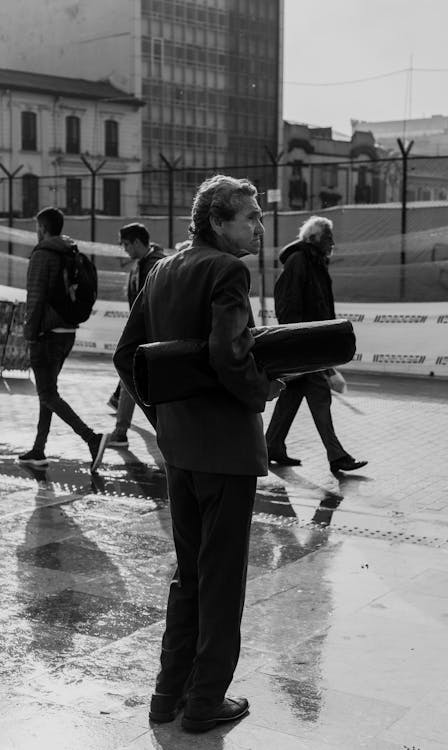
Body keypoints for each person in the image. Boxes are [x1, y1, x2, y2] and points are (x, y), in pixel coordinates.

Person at [113, 175, 283, 732]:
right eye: (250, 218)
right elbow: (231, 357)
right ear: (216, 221)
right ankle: (206, 700)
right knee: (222, 580)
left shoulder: (163, 269)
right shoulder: (228, 270)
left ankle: (168, 695)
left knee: (189, 575)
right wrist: (266, 388)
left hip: (181, 451)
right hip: (227, 453)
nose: (259, 227)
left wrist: (163, 417)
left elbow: (126, 356)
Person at [265, 215, 368, 475]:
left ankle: (271, 446)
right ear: (314, 239)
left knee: (291, 395)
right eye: (328, 237)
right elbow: (288, 305)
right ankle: (336, 456)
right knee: (320, 396)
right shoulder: (301, 262)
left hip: (311, 343)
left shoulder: (313, 262)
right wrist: (300, 344)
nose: (332, 242)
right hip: (307, 345)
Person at [19, 206, 107, 472]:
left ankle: (92, 439)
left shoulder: (43, 254)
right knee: (48, 393)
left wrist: (29, 333)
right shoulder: (70, 250)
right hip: (68, 332)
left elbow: (35, 299)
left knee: (47, 393)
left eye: (38, 227)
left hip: (47, 334)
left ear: (43, 228)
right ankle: (38, 449)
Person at [107, 223, 165, 448]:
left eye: (126, 245)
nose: (125, 250)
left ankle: (121, 432)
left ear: (138, 242)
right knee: (131, 376)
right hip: (143, 332)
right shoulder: (142, 264)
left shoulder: (154, 264)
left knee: (131, 374)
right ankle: (121, 430)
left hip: (150, 334)